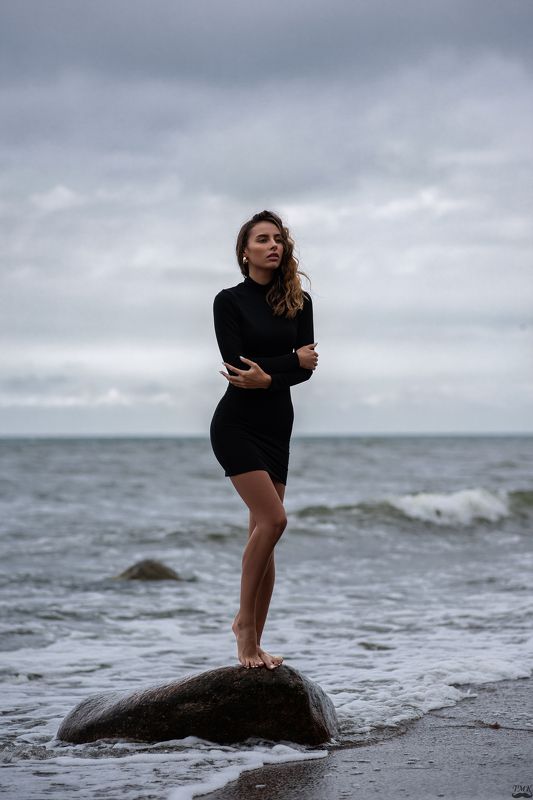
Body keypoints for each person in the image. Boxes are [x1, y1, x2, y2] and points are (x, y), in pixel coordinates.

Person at [209, 210, 318, 670]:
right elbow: (237, 364)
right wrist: (286, 362)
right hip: (235, 424)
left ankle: (255, 638)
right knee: (274, 521)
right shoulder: (228, 301)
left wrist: (270, 375)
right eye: (262, 239)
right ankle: (244, 630)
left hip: (277, 426)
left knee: (262, 532)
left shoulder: (299, 301)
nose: (272, 245)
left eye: (278, 239)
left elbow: (307, 367)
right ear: (244, 250)